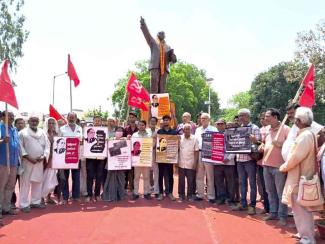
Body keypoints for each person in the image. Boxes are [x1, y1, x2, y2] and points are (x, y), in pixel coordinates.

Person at [279, 107, 323, 244]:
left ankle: (307, 238)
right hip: (301, 176)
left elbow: (295, 157)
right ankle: (305, 235)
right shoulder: (308, 133)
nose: (294, 121)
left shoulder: (304, 136)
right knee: (301, 210)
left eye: (295, 119)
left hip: (299, 178)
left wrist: (284, 167)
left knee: (301, 210)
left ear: (299, 120)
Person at [262, 108, 290, 226]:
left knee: (280, 192)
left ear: (275, 117)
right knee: (270, 191)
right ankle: (273, 212)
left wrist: (280, 144)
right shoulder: (267, 129)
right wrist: (261, 146)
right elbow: (264, 142)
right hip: (266, 165)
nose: (265, 118)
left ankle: (282, 215)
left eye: (268, 116)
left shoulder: (286, 129)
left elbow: (292, 146)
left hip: (279, 166)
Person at [231, 109, 260, 215]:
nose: (241, 117)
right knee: (242, 183)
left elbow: (259, 143)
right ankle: (243, 203)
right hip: (239, 159)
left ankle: (252, 205)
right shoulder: (238, 128)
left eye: (243, 115)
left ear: (248, 116)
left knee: (252, 183)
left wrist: (255, 141)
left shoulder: (255, 128)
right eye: (239, 116)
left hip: (250, 160)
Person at [19, 115, 50, 212]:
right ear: (28, 121)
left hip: (39, 161)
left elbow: (47, 146)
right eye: (32, 120)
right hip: (27, 161)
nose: (34, 122)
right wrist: (27, 157)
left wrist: (44, 156)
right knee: (25, 183)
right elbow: (20, 147)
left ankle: (35, 202)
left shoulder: (42, 132)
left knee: (38, 181)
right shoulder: (22, 133)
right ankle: (24, 204)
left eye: (36, 121)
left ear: (38, 122)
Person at [140, 16, 177, 93]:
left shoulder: (168, 47)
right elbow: (147, 34)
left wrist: (174, 58)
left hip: (164, 69)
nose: (162, 34)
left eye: (163, 33)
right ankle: (154, 103)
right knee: (154, 84)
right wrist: (143, 24)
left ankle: (162, 103)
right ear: (157, 35)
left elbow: (172, 59)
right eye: (160, 33)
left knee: (162, 86)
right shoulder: (153, 43)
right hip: (155, 67)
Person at [0, 111, 20, 225]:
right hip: (3, 162)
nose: (12, 118)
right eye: (9, 116)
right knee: (1, 186)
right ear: (2, 117)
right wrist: (3, 141)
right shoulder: (0, 127)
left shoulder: (14, 129)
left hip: (13, 162)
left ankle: (6, 208)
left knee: (10, 186)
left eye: (13, 116)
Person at [60, 112, 82, 204]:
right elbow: (59, 141)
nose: (72, 119)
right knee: (64, 177)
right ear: (67, 118)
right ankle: (65, 197)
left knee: (76, 177)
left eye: (73, 117)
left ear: (76, 118)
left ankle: (75, 196)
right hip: (65, 156)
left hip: (77, 156)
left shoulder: (80, 128)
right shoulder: (62, 129)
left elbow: (82, 140)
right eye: (70, 117)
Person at [194, 112, 217, 203]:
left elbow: (216, 142)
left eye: (205, 118)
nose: (202, 120)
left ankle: (211, 196)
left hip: (209, 154)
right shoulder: (197, 129)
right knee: (199, 175)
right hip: (199, 153)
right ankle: (200, 194)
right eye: (202, 118)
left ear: (209, 120)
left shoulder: (214, 129)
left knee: (210, 176)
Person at [214, 118, 236, 206]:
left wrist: (229, 158)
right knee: (219, 181)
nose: (219, 125)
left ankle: (230, 199)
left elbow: (235, 147)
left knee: (230, 182)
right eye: (218, 124)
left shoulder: (231, 134)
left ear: (225, 125)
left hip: (228, 162)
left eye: (221, 124)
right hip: (217, 162)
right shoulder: (213, 135)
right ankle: (221, 198)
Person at [156, 115, 178, 201]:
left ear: (170, 121)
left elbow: (176, 145)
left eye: (167, 120)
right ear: (163, 121)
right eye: (164, 120)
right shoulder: (159, 132)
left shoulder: (174, 132)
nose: (166, 122)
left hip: (170, 157)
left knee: (170, 176)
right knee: (160, 175)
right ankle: (161, 193)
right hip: (161, 157)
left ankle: (170, 193)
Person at [85, 116, 106, 202]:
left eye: (99, 121)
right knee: (89, 176)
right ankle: (89, 195)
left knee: (99, 176)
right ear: (93, 121)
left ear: (101, 122)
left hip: (101, 157)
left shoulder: (105, 131)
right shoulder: (88, 131)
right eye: (96, 121)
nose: (97, 122)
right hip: (90, 157)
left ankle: (97, 194)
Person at [102, 127, 126, 202]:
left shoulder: (126, 140)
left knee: (121, 179)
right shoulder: (110, 139)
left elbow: (126, 151)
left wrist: (124, 141)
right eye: (117, 130)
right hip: (111, 162)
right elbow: (107, 149)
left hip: (121, 163)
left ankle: (120, 195)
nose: (119, 132)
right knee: (110, 179)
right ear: (115, 132)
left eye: (121, 131)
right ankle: (110, 195)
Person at [178, 123, 199, 202]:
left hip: (191, 163)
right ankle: (181, 195)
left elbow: (196, 152)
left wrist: (195, 163)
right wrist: (176, 162)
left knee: (191, 180)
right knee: (181, 180)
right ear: (183, 130)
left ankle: (190, 195)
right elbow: (177, 150)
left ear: (191, 130)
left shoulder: (195, 139)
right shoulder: (180, 138)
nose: (187, 131)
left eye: (188, 129)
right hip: (181, 163)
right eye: (185, 129)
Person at [132, 120, 152, 200]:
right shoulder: (134, 135)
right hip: (137, 159)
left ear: (145, 126)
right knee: (136, 177)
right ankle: (136, 193)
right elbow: (131, 145)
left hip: (146, 159)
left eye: (143, 125)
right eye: (140, 125)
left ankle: (146, 193)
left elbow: (151, 145)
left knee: (146, 177)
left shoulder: (149, 135)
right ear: (138, 126)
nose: (141, 126)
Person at [41, 117, 59, 205]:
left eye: (53, 123)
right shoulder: (43, 134)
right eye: (49, 123)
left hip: (56, 160)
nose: (51, 125)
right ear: (46, 124)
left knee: (52, 179)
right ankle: (40, 198)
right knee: (45, 179)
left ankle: (48, 197)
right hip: (46, 160)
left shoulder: (57, 134)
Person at [256, 112, 270, 214]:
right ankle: (267, 207)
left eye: (264, 118)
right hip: (260, 162)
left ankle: (277, 209)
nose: (262, 120)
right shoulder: (259, 130)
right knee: (264, 186)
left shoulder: (273, 130)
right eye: (261, 118)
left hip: (272, 162)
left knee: (272, 187)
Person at [10, 117, 25, 209]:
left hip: (25, 163)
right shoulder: (13, 133)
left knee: (23, 184)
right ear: (15, 124)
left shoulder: (27, 134)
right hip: (14, 163)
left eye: (22, 123)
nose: (20, 125)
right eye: (18, 123)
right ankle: (12, 202)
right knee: (12, 184)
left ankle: (23, 203)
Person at [124, 112, 139, 191]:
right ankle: (125, 186)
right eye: (130, 117)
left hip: (136, 153)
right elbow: (122, 140)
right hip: (127, 153)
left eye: (133, 117)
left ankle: (132, 187)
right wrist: (126, 138)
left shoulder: (139, 129)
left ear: (135, 118)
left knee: (134, 171)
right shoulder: (126, 129)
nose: (131, 119)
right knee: (126, 170)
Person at [149, 117, 159, 197]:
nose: (152, 122)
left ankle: (156, 189)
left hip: (156, 153)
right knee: (148, 172)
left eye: (154, 121)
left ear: (156, 122)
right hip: (147, 153)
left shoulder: (158, 131)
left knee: (156, 172)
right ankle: (149, 188)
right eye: (151, 121)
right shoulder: (145, 131)